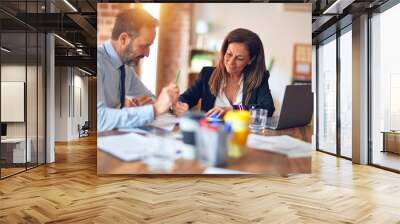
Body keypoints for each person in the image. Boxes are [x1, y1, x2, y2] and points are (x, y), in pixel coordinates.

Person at [97, 8, 179, 132]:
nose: (147, 54)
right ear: (123, 39)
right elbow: (98, 119)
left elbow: (149, 97)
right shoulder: (96, 63)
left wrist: (165, 103)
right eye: (144, 45)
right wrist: (154, 109)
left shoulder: (125, 68)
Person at [173, 28, 275, 118]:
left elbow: (267, 109)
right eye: (229, 54)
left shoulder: (259, 78)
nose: (231, 62)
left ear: (251, 60)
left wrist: (233, 110)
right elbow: (185, 98)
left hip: (244, 135)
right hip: (211, 133)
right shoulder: (207, 74)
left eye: (239, 58)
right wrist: (183, 105)